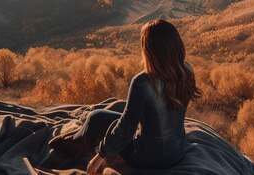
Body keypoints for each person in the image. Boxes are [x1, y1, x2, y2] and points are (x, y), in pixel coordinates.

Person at [49, 19, 201, 174]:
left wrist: (99, 157)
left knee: (97, 116)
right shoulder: (187, 71)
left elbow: (125, 129)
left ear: (149, 50)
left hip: (146, 157)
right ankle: (78, 136)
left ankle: (73, 142)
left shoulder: (142, 82)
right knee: (120, 109)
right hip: (177, 151)